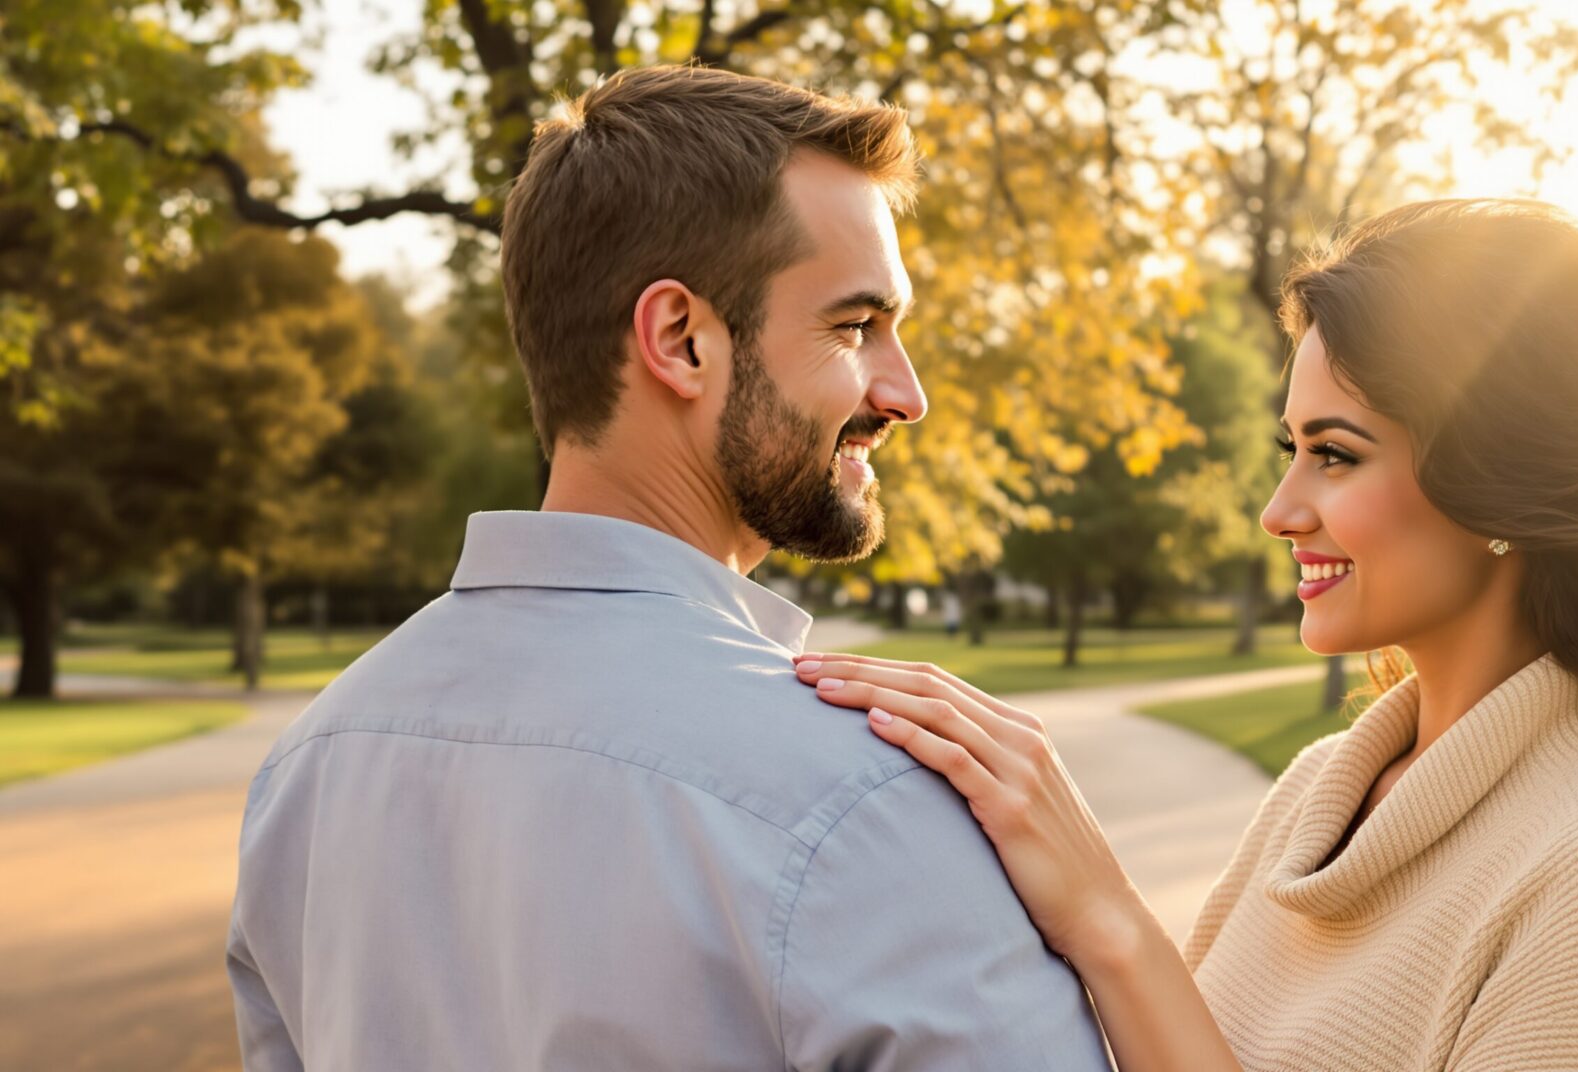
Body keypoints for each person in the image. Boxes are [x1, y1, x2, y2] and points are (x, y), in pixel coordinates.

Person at [794, 199, 1578, 1071]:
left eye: (1336, 454)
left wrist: (1109, 920)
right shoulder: (1318, 793)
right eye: (1294, 446)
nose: (1280, 509)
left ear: (1511, 481)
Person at [225, 66, 1111, 1071]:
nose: (906, 394)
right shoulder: (865, 800)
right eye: (855, 327)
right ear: (682, 341)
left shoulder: (309, 769)